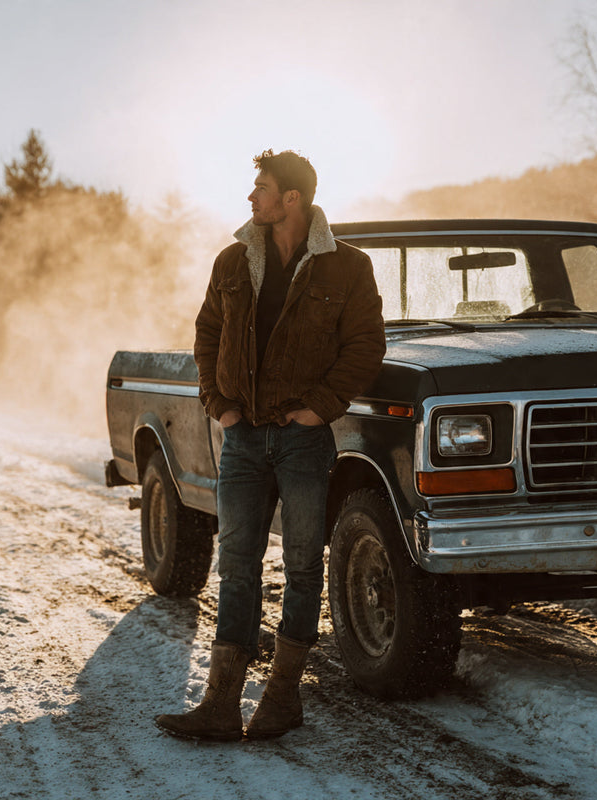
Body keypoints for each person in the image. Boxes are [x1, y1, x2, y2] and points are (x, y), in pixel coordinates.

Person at [155, 149, 385, 741]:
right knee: (236, 566)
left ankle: (282, 699)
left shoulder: (348, 268)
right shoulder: (232, 260)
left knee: (305, 565)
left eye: (261, 188)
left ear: (293, 199)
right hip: (243, 438)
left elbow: (366, 345)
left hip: (303, 440)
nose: (250, 197)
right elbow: (207, 335)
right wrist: (218, 404)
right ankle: (220, 704)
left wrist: (322, 407)